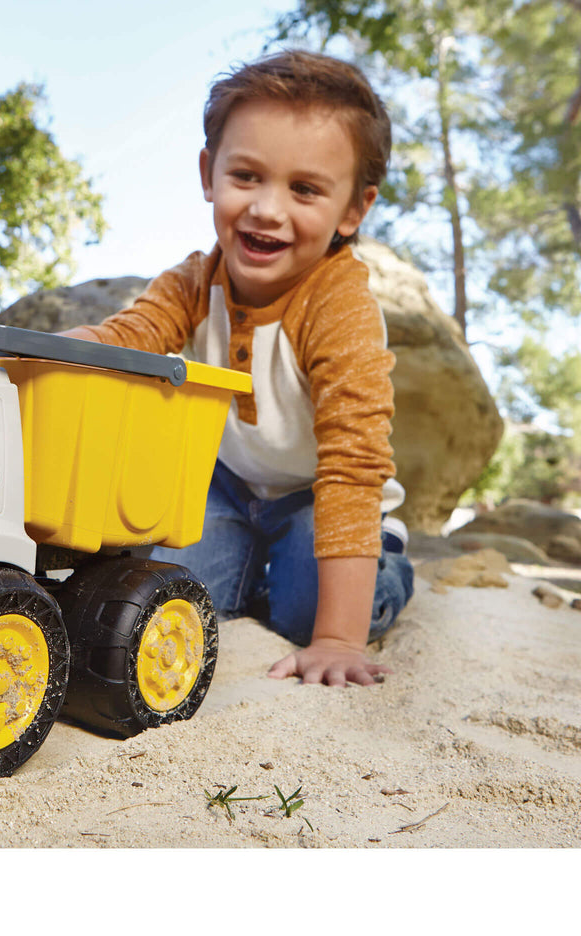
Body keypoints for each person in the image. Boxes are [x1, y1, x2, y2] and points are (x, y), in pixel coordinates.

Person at [60, 50, 414, 688]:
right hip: (227, 485)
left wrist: (338, 638)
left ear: (353, 211)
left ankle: (386, 566)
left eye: (304, 189)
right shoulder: (193, 282)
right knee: (174, 585)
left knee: (311, 615)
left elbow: (353, 462)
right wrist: (78, 344)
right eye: (247, 176)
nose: (267, 209)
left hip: (321, 492)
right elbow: (131, 338)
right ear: (209, 173)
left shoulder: (338, 306)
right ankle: (252, 566)